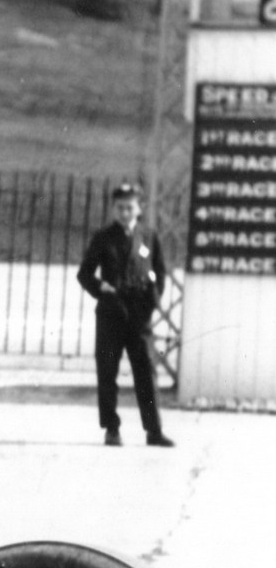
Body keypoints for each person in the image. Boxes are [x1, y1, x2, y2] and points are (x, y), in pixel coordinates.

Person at [77, 182, 172, 448]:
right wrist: (101, 289)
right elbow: (84, 274)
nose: (125, 213)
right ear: (113, 209)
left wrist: (152, 301)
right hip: (111, 313)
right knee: (107, 372)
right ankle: (111, 428)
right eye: (120, 208)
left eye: (130, 207)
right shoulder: (103, 237)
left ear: (139, 208)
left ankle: (154, 430)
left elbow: (160, 272)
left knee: (146, 373)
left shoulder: (148, 236)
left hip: (139, 315)